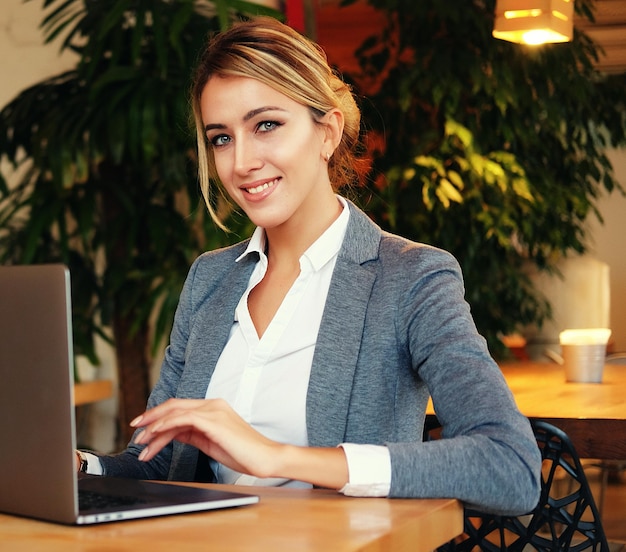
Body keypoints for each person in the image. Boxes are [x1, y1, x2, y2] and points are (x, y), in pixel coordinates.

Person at [76, 16, 541, 515]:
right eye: (221, 138)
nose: (240, 162)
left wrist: (281, 457)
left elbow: (509, 466)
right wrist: (82, 467)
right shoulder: (210, 280)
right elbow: (158, 466)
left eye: (266, 125)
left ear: (328, 132)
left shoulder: (410, 277)